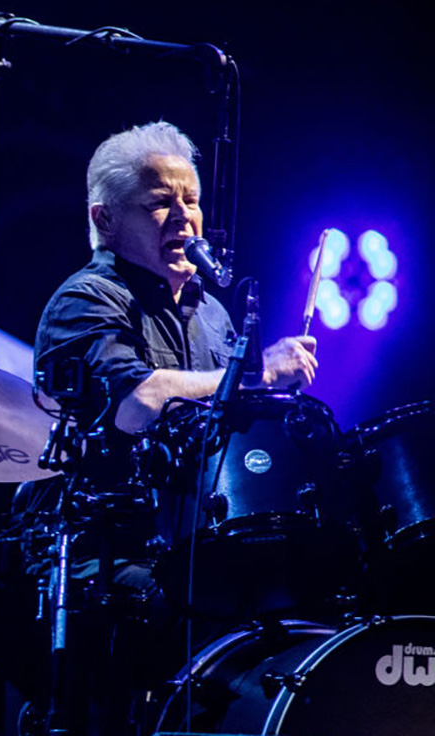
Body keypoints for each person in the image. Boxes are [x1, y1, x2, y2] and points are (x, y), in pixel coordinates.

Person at [24, 121, 322, 736]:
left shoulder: (213, 314)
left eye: (191, 200)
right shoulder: (87, 299)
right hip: (109, 553)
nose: (184, 217)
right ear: (105, 220)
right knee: (204, 613)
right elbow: (140, 399)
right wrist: (257, 372)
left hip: (201, 542)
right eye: (160, 203)